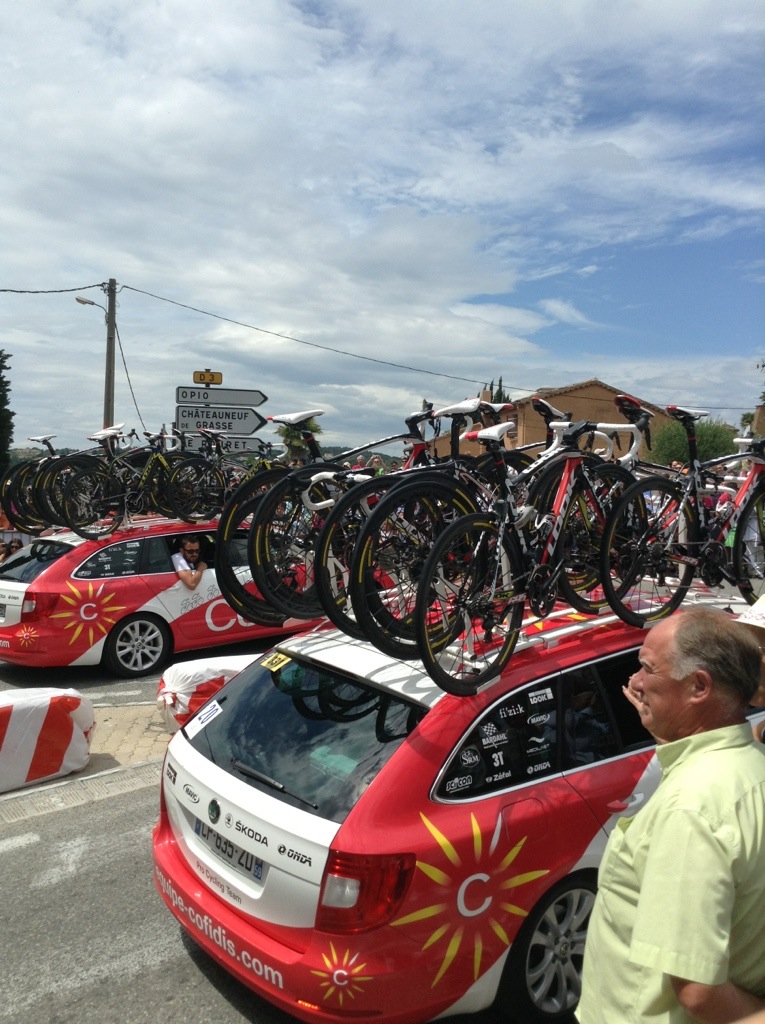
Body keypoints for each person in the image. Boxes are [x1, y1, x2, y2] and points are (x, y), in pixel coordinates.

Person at [578, 607, 765, 1024]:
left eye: (647, 668)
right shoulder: (750, 768)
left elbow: (698, 993)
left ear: (699, 687)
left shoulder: (691, 808)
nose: (634, 682)